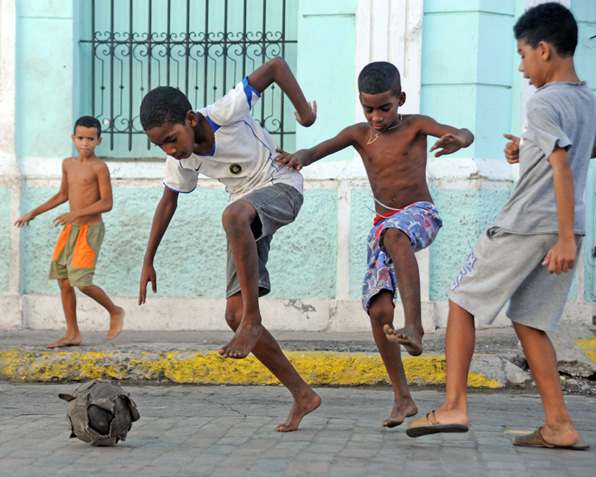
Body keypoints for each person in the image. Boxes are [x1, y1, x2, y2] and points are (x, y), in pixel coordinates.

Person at [402, 3, 596, 449]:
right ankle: (559, 425)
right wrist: (529, 148)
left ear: (545, 50)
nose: (521, 65)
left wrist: (564, 235)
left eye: (523, 54)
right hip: (567, 225)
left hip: (528, 222)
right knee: (530, 320)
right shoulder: (586, 98)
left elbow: (563, 164)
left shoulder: (544, 100)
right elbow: (585, 149)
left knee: (461, 299)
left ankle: (453, 404)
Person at [276, 61, 474, 427]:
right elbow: (317, 151)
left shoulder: (417, 125)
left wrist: (459, 138)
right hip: (383, 226)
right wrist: (298, 158)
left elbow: (461, 131)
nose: (377, 116)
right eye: (369, 109)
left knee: (396, 235)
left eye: (385, 108)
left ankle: (414, 326)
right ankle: (403, 399)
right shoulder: (358, 133)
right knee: (379, 311)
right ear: (361, 104)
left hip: (419, 214)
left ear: (400, 99)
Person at [138, 56, 321, 431]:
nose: (170, 150)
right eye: (161, 146)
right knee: (232, 315)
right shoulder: (181, 161)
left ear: (190, 119)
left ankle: (253, 319)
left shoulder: (226, 111)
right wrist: (148, 259)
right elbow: (168, 201)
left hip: (282, 186)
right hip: (248, 212)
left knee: (232, 215)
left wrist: (304, 114)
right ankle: (303, 394)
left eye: (172, 139)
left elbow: (276, 67)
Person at [14, 116, 125, 349]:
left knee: (82, 283)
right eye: (81, 138)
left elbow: (107, 203)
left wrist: (76, 213)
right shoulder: (68, 164)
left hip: (90, 230)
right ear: (73, 138)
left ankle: (114, 310)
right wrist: (33, 212)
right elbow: (62, 195)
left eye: (91, 139)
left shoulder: (99, 167)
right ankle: (72, 333)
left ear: (99, 140)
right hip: (70, 229)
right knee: (64, 282)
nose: (85, 143)